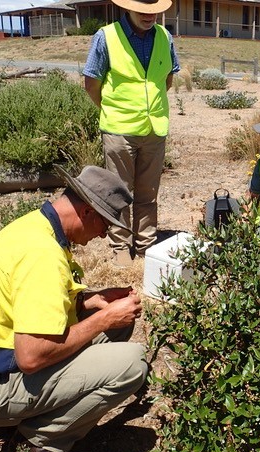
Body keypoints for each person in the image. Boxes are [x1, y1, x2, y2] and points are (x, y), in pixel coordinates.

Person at [0, 165, 148, 452]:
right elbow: (31, 357)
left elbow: (31, 304)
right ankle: (36, 444)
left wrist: (91, 301)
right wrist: (102, 319)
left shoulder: (34, 226)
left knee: (117, 323)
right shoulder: (42, 255)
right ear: (86, 211)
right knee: (133, 363)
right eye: (105, 224)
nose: (104, 234)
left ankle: (28, 417)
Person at [83, 0, 180, 267]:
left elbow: (167, 79)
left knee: (148, 193)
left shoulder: (165, 37)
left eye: (154, 10)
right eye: (143, 10)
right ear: (127, 7)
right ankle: (121, 247)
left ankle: (146, 243)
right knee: (118, 192)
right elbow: (91, 83)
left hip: (154, 129)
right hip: (119, 130)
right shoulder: (106, 37)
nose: (150, 15)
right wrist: (112, 109)